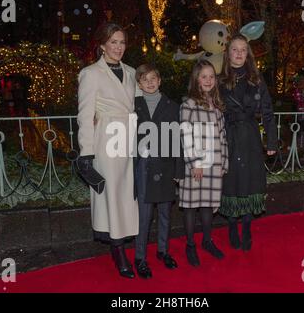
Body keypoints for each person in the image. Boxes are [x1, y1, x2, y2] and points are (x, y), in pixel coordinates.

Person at [77, 22, 138, 278]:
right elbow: (84, 114)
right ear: (102, 45)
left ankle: (124, 240)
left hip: (130, 139)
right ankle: (118, 249)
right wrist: (87, 152)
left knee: (128, 194)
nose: (118, 47)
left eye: (122, 42)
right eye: (113, 42)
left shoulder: (133, 72)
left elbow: (142, 103)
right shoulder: (90, 73)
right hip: (107, 140)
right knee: (112, 194)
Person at [218, 34, 277, 252]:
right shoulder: (218, 80)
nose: (239, 53)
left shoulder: (257, 79)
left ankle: (247, 227)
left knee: (251, 183)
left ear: (248, 53)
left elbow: (268, 112)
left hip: (251, 138)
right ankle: (232, 225)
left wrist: (271, 141)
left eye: (243, 49)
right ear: (228, 53)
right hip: (228, 137)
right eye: (235, 49)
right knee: (232, 183)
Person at [133, 63, 185, 279]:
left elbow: (178, 140)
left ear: (160, 80)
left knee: (165, 213)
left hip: (165, 167)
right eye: (145, 79)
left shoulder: (172, 106)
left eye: (153, 78)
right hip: (144, 168)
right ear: (139, 84)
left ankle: (163, 251)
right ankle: (140, 258)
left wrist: (179, 170)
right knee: (144, 216)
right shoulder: (133, 105)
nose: (150, 82)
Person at [179, 60, 228, 267]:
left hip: (214, 163)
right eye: (203, 76)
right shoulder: (188, 103)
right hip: (196, 165)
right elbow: (185, 134)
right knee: (191, 206)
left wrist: (224, 162)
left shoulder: (217, 106)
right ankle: (190, 245)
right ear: (196, 80)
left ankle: (207, 241)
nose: (208, 80)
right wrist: (194, 162)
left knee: (208, 205)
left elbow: (222, 136)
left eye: (211, 76)